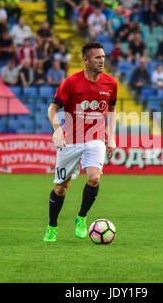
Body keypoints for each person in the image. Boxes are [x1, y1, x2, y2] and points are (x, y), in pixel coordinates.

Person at [43, 42, 117, 242]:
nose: (102, 60)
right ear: (85, 60)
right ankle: (52, 226)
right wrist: (58, 129)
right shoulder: (71, 83)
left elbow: (111, 110)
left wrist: (111, 137)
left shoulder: (110, 83)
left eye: (103, 57)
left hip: (95, 138)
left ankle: (81, 218)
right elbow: (52, 109)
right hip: (71, 141)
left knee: (94, 178)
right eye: (97, 57)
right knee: (61, 188)